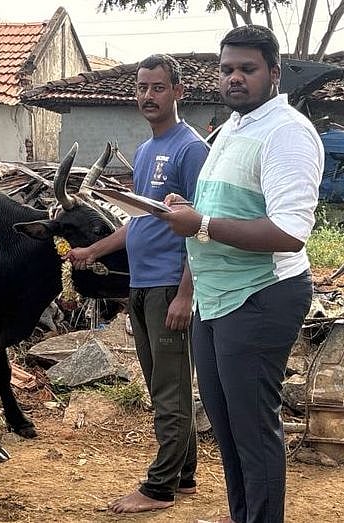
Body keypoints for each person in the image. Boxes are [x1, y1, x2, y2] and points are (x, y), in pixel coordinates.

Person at [159, 25, 323, 523]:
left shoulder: (287, 133)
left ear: (274, 73)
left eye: (247, 69)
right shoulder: (231, 127)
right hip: (216, 297)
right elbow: (223, 208)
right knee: (228, 431)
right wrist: (187, 209)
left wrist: (201, 223)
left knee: (253, 433)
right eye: (227, 68)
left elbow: (290, 232)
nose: (234, 78)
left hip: (261, 295)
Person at [66, 54, 208, 514]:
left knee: (170, 389)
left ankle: (159, 487)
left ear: (178, 92)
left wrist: (186, 292)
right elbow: (140, 222)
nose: (148, 96)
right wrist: (94, 251)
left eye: (158, 87)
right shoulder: (147, 150)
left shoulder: (191, 149)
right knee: (160, 384)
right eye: (142, 87)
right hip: (142, 284)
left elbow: (199, 228)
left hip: (171, 286)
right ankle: (183, 475)